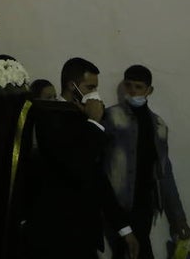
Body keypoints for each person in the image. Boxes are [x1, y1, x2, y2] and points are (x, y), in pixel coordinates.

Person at [23, 57, 134, 259]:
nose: (94, 94)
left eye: (96, 87)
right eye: (89, 87)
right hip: (55, 232)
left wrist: (124, 228)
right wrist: (93, 123)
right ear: (71, 85)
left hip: (84, 233)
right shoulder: (48, 116)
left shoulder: (86, 117)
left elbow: (97, 175)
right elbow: (76, 165)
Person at [103, 65, 189, 259]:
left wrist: (178, 218)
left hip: (144, 205)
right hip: (117, 204)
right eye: (129, 85)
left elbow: (164, 171)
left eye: (139, 87)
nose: (133, 91)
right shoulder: (111, 117)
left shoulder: (158, 126)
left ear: (149, 90)